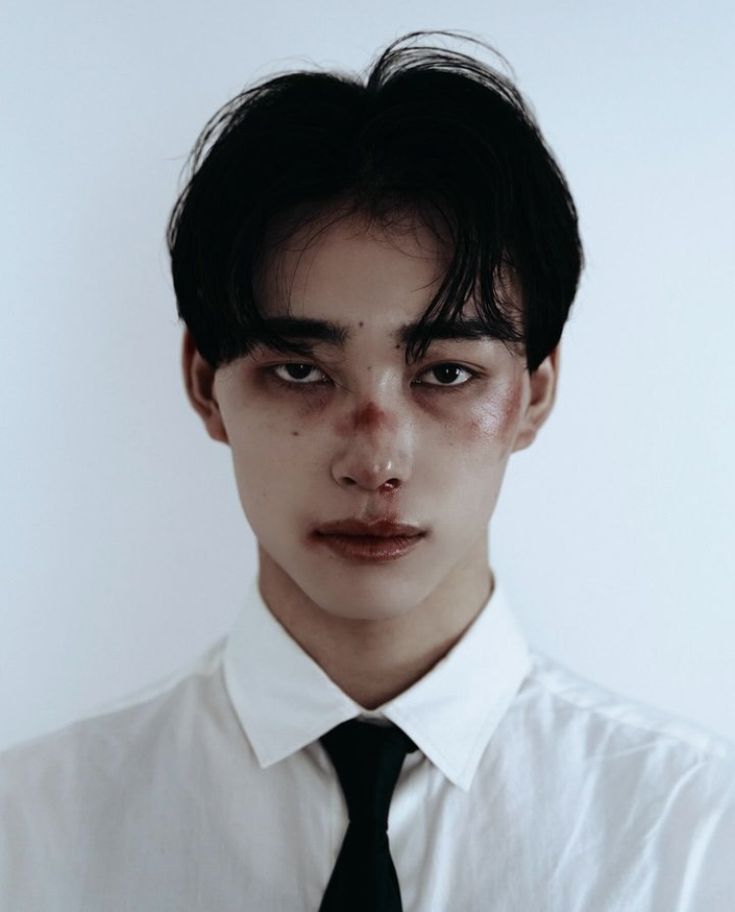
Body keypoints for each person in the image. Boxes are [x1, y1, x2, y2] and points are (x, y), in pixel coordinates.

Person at [1, 29, 733, 912]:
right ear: (205, 384)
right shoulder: (31, 834)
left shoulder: (696, 837)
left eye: (447, 374)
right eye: (300, 372)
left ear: (534, 393)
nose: (376, 458)